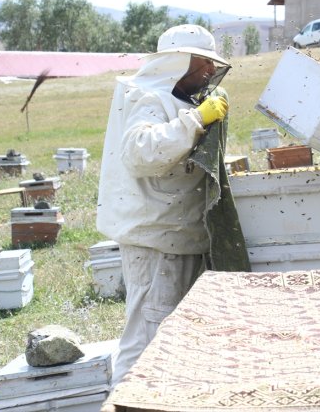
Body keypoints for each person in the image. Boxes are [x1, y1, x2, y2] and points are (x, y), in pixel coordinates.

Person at [96, 24, 250, 388]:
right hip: (156, 241)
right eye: (203, 62)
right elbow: (141, 152)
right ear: (177, 62)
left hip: (175, 236)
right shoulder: (149, 98)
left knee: (172, 335)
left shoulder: (174, 99)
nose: (211, 71)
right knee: (148, 338)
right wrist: (196, 120)